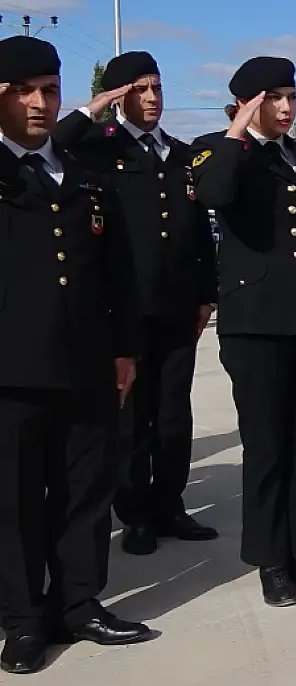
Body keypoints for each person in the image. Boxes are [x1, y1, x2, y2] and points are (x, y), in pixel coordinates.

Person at [0, 37, 150, 674]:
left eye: (50, 90)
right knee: (13, 502)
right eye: (25, 91)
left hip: (88, 362)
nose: (40, 103)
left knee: (85, 490)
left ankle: (79, 602)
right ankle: (22, 619)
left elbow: (118, 271)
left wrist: (124, 350)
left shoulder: (86, 176)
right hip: (11, 370)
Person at [191, 56, 296, 609]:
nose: (285, 109)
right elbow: (212, 195)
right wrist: (240, 131)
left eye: (291, 97)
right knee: (266, 445)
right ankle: (270, 560)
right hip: (255, 323)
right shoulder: (218, 149)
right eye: (271, 99)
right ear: (246, 103)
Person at [55, 50, 219, 557]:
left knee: (174, 415)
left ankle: (171, 504)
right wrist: (95, 107)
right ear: (122, 95)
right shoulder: (99, 148)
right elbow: (54, 143)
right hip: (126, 309)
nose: (152, 99)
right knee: (131, 419)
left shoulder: (180, 153)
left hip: (177, 306)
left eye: (157, 89)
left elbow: (198, 234)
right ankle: (136, 513)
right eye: (140, 90)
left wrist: (206, 294)